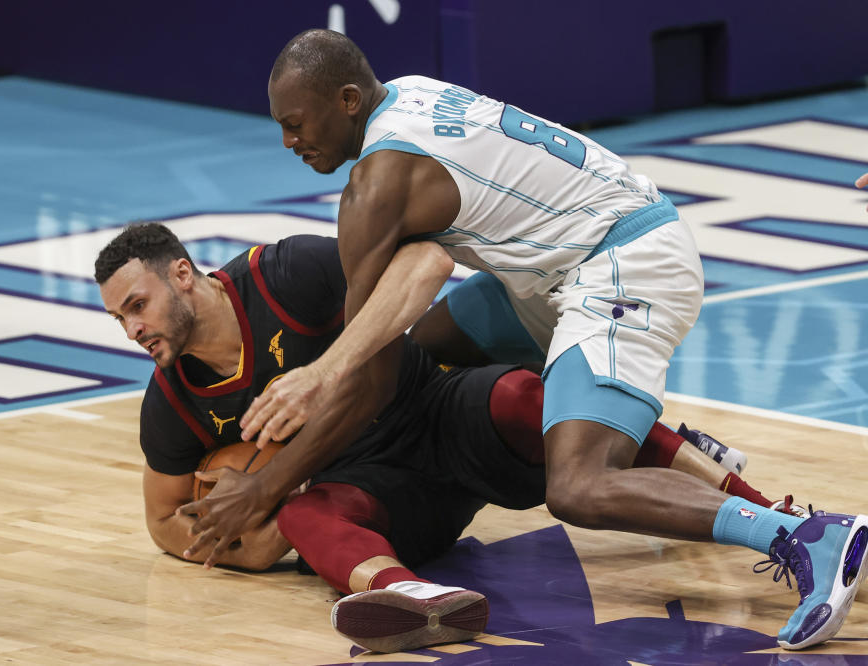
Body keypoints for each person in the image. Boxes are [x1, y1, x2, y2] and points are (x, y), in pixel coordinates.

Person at [180, 29, 867, 650]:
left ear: (350, 100)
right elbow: (400, 324)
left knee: (578, 486)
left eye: (295, 124)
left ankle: (806, 535)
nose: (288, 142)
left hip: (620, 267)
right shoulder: (412, 92)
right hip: (570, 263)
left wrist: (265, 485)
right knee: (436, 345)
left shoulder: (375, 187)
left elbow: (371, 381)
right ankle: (632, 424)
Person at [94, 223, 802, 653]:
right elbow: (162, 520)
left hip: (430, 405)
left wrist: (322, 384)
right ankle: (417, 604)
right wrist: (251, 543)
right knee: (305, 515)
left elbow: (416, 272)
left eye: (138, 306)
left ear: (182, 276)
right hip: (381, 487)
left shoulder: (287, 273)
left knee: (528, 397)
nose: (133, 329)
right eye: (120, 319)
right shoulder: (173, 402)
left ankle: (771, 513)